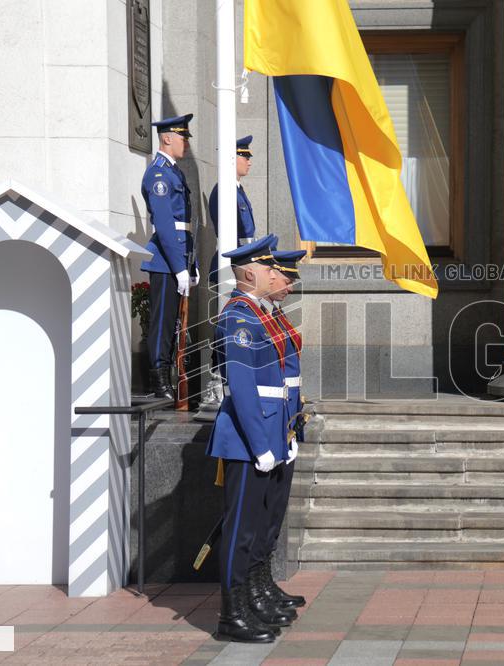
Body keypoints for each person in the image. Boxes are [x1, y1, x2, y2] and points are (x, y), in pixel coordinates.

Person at [207, 235, 293, 643]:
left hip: (265, 433)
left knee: (255, 527)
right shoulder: (239, 318)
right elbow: (243, 389)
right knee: (240, 530)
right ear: (250, 272)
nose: (276, 275)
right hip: (245, 438)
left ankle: (250, 600)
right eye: (270, 269)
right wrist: (261, 445)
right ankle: (231, 614)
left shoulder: (257, 315)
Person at [247, 249, 308, 612]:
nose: (289, 286)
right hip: (264, 432)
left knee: (271, 519)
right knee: (251, 524)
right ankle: (247, 597)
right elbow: (244, 387)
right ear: (267, 275)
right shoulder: (246, 316)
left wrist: (293, 425)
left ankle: (263, 585)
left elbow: (289, 377)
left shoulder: (276, 316)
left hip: (281, 428)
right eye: (286, 279)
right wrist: (261, 442)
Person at [140, 114, 198, 399]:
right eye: (182, 136)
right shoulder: (159, 174)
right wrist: (178, 268)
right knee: (163, 323)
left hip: (177, 259)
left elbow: (185, 225)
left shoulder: (175, 172)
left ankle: (169, 378)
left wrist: (191, 264)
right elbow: (164, 225)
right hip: (165, 261)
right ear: (166, 138)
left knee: (175, 323)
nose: (186, 142)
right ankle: (158, 379)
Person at [208, 135, 257, 286]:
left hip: (243, 262)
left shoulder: (238, 190)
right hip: (231, 265)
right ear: (232, 158)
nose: (249, 162)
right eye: (245, 157)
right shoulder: (224, 190)